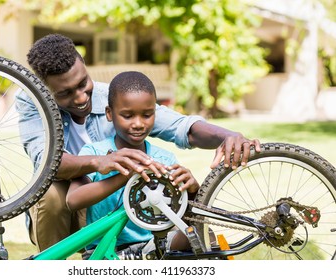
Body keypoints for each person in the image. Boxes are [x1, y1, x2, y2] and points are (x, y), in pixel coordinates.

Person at [17, 33, 261, 252]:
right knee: (51, 195)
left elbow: (181, 127)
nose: (81, 97)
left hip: (124, 216)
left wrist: (229, 137)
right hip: (75, 201)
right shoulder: (32, 103)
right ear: (44, 89)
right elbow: (47, 163)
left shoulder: (114, 97)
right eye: (65, 93)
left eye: (83, 84)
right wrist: (100, 162)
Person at [66, 71, 200, 257]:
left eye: (147, 115)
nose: (138, 124)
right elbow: (73, 200)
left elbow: (183, 218)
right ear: (109, 114)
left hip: (153, 246)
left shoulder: (165, 159)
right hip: (104, 250)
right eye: (127, 116)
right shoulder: (95, 152)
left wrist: (193, 191)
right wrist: (126, 176)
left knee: (202, 236)